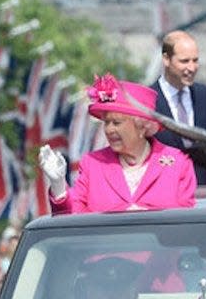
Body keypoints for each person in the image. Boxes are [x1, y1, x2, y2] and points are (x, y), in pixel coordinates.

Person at [39, 74, 197, 214]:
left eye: (116, 122)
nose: (109, 129)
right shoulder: (93, 164)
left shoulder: (178, 164)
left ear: (142, 126)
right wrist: (58, 186)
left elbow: (187, 225)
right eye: (106, 122)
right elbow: (72, 220)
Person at [151, 30, 206, 185]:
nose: (192, 67)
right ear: (166, 59)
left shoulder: (205, 96)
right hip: (164, 192)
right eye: (184, 61)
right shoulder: (149, 100)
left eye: (195, 60)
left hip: (205, 193)